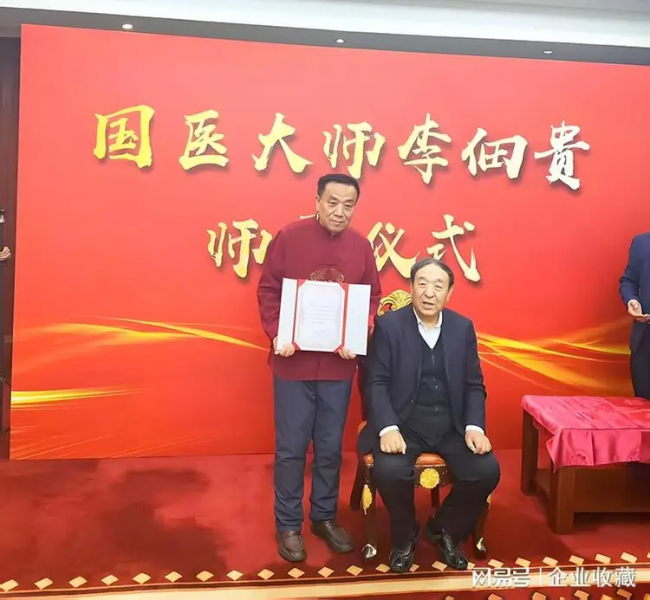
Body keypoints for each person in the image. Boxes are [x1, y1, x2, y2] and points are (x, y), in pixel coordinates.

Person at [257, 173, 382, 563]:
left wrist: (356, 333)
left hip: (337, 367)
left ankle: (324, 517)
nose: (339, 211)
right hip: (292, 365)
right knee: (291, 449)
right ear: (317, 201)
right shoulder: (289, 237)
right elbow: (268, 289)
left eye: (348, 205)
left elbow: (372, 297)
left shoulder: (361, 247)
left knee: (329, 449)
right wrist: (278, 332)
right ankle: (288, 524)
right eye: (332, 202)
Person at [360, 257, 500, 573]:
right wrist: (388, 428)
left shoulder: (462, 328)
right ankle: (405, 534)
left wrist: (475, 426)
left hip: (451, 425)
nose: (429, 292)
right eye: (422, 283)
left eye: (438, 286)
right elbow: (376, 382)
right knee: (390, 470)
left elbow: (473, 383)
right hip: (404, 424)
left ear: (449, 293)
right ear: (411, 287)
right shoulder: (390, 326)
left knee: (486, 470)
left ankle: (444, 529)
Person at [619, 232, 650, 400]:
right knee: (642, 406)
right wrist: (631, 300)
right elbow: (628, 281)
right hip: (645, 341)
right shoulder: (642, 242)